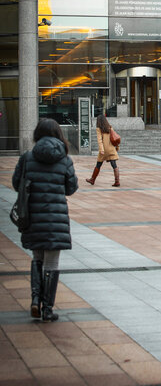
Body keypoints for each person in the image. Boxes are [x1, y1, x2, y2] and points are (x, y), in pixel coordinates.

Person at [12, 118, 78, 322]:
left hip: (32, 216)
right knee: (52, 262)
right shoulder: (65, 159)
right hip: (56, 218)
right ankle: (48, 309)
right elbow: (71, 188)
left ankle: (34, 300)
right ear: (59, 135)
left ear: (37, 135)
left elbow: (16, 184)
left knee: (37, 257)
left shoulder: (27, 158)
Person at [86, 114, 120, 187]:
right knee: (114, 164)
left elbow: (99, 140)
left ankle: (92, 179)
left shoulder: (99, 129)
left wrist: (101, 149)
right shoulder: (110, 128)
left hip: (104, 150)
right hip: (111, 149)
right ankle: (117, 181)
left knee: (98, 164)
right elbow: (115, 138)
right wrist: (117, 147)